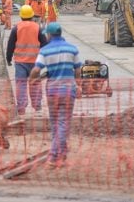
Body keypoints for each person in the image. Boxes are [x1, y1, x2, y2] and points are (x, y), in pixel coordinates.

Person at [30, 22, 81, 168]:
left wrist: (31, 80)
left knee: (55, 124)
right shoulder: (72, 49)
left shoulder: (45, 51)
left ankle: (57, 156)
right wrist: (78, 85)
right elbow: (78, 70)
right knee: (63, 123)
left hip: (52, 92)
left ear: (50, 35)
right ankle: (56, 156)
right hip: (67, 92)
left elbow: (36, 70)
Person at [6, 5, 47, 116]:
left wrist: (8, 58)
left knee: (21, 84)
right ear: (32, 15)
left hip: (20, 62)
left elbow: (10, 45)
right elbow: (45, 44)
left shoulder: (16, 28)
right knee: (35, 84)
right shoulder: (38, 28)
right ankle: (37, 107)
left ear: (21, 16)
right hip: (35, 62)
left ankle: (21, 109)